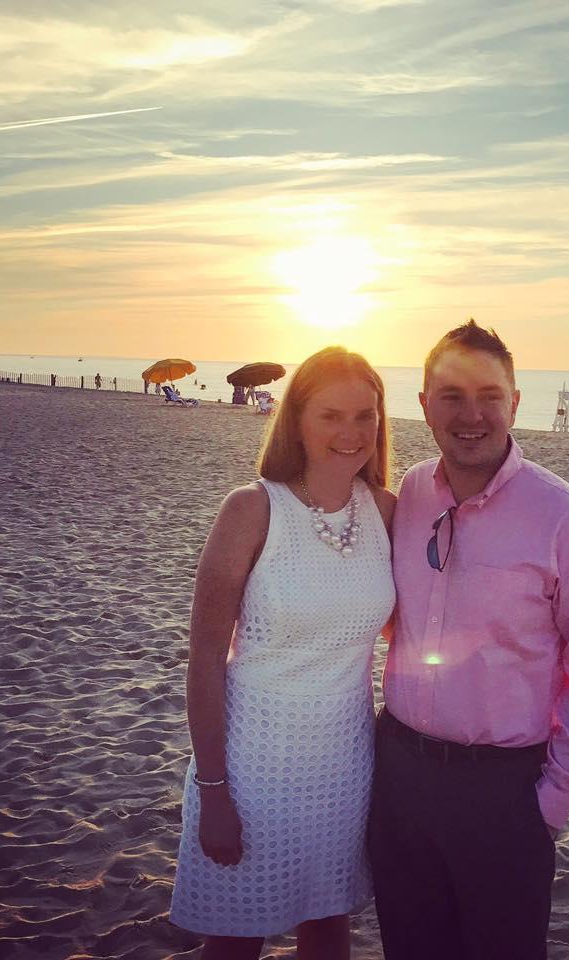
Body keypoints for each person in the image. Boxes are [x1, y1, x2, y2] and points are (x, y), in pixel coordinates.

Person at [368, 320, 569, 960]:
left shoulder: (565, 517)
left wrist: (552, 800)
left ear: (514, 403)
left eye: (489, 396)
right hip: (398, 778)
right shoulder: (410, 493)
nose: (472, 416)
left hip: (507, 791)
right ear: (424, 404)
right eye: (452, 396)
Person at [170, 346, 396, 960]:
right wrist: (214, 788)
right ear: (296, 419)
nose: (351, 432)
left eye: (365, 415)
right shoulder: (252, 509)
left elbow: (414, 629)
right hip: (253, 762)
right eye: (331, 415)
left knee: (327, 927)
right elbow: (205, 658)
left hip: (346, 763)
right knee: (235, 937)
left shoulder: (384, 510)